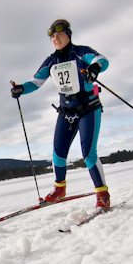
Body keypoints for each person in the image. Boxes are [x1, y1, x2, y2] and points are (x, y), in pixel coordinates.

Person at [11, 19, 110, 208]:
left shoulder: (81, 52)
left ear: (68, 35)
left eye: (59, 34)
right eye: (52, 36)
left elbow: (102, 60)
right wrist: (21, 89)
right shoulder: (51, 61)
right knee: (58, 153)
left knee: (88, 154)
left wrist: (94, 68)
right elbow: (36, 82)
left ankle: (102, 194)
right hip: (66, 111)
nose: (56, 38)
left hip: (88, 108)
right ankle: (60, 188)